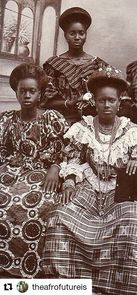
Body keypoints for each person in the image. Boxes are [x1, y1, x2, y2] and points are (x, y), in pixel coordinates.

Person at [42, 66, 137, 294]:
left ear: (119, 103)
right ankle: (66, 284)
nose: (106, 105)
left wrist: (136, 160)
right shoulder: (83, 128)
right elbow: (73, 156)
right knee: (60, 215)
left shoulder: (131, 129)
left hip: (121, 189)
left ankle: (126, 285)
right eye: (101, 100)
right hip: (90, 184)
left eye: (111, 100)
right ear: (94, 102)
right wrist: (68, 181)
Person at [0, 63, 69, 278]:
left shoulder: (52, 119)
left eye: (32, 91)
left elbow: (68, 149)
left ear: (40, 94)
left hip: (43, 173)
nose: (27, 95)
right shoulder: (6, 120)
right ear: (16, 92)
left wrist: (55, 168)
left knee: (42, 203)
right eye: (23, 91)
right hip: (11, 170)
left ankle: (32, 265)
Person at [41, 7, 108, 124]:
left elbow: (109, 97)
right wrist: (70, 103)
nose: (77, 37)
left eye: (81, 33)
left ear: (86, 35)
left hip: (93, 122)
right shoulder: (54, 65)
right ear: (65, 35)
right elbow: (45, 102)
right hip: (62, 122)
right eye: (72, 33)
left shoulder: (98, 65)